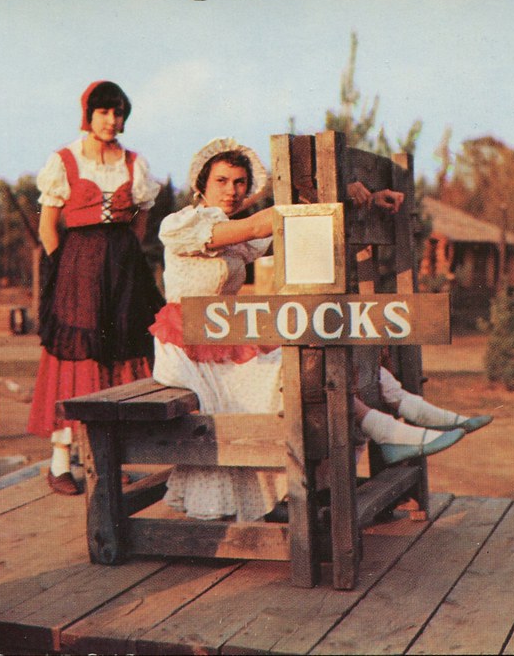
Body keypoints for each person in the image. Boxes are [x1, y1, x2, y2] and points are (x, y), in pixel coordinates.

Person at [150, 138, 487, 522]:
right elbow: (268, 222)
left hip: (225, 338)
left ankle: (414, 412)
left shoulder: (236, 231)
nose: (232, 190)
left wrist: (364, 200)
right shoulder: (182, 225)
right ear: (201, 185)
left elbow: (301, 224)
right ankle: (390, 433)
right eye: (222, 181)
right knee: (300, 369)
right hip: (189, 346)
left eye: (240, 182)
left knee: (332, 358)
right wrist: (338, 189)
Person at [27, 80, 164, 495]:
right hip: (77, 269)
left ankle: (109, 459)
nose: (112, 120)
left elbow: (140, 221)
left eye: (119, 113)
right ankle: (60, 463)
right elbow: (48, 227)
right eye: (105, 112)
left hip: (123, 270)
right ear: (88, 113)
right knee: (77, 357)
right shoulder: (64, 160)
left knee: (119, 356)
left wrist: (120, 255)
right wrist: (68, 269)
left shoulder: (134, 162)